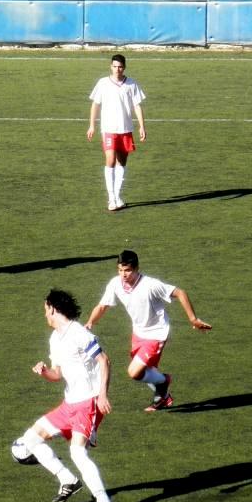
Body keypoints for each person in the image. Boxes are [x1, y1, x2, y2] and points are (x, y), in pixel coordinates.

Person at [16, 289, 119, 502]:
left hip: (88, 402)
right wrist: (44, 372)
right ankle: (68, 480)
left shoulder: (79, 333)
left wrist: (103, 394)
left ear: (53, 308)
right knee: (29, 440)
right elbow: (58, 374)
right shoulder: (55, 338)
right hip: (69, 403)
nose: (44, 314)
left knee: (77, 452)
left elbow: (104, 360)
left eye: (45, 310)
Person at [84, 250, 211, 412]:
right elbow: (102, 306)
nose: (123, 275)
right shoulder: (115, 283)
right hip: (138, 332)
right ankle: (163, 397)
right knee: (146, 369)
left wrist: (193, 319)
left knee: (134, 372)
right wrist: (90, 322)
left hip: (156, 333)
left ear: (137, 268)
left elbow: (180, 293)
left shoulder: (150, 285)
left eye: (127, 270)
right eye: (120, 270)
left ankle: (164, 382)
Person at [87, 54, 147, 212]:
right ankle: (111, 197)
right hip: (108, 129)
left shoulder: (131, 84)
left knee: (122, 162)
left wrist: (142, 126)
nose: (117, 69)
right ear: (110, 67)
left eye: (120, 67)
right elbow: (95, 105)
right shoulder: (103, 83)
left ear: (124, 67)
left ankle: (118, 196)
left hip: (125, 129)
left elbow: (137, 106)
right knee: (110, 160)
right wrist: (92, 125)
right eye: (114, 66)